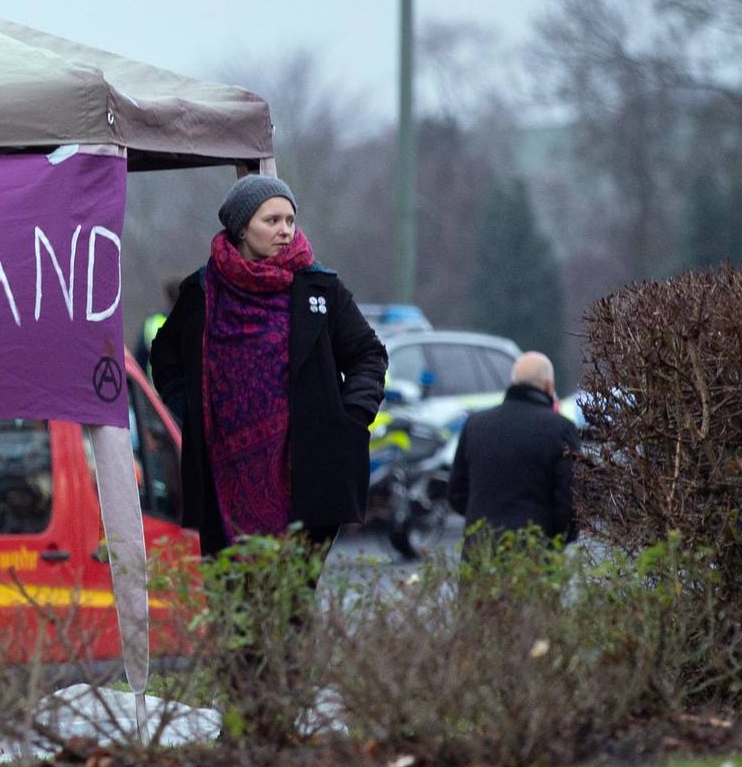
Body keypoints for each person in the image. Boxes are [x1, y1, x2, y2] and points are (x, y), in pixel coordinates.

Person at [149, 175, 389, 558]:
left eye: (290, 220)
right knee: (232, 602)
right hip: (221, 477)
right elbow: (165, 354)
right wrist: (190, 412)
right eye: (272, 221)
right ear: (242, 227)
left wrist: (347, 419)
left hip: (307, 477)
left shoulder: (319, 289)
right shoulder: (202, 292)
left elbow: (368, 355)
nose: (285, 231)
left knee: (292, 602)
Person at [446, 352, 579, 549]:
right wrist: (557, 539)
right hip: (533, 553)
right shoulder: (560, 429)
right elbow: (568, 499)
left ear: (513, 382)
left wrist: (483, 525)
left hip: (480, 552)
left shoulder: (475, 425)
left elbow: (456, 493)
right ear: (549, 386)